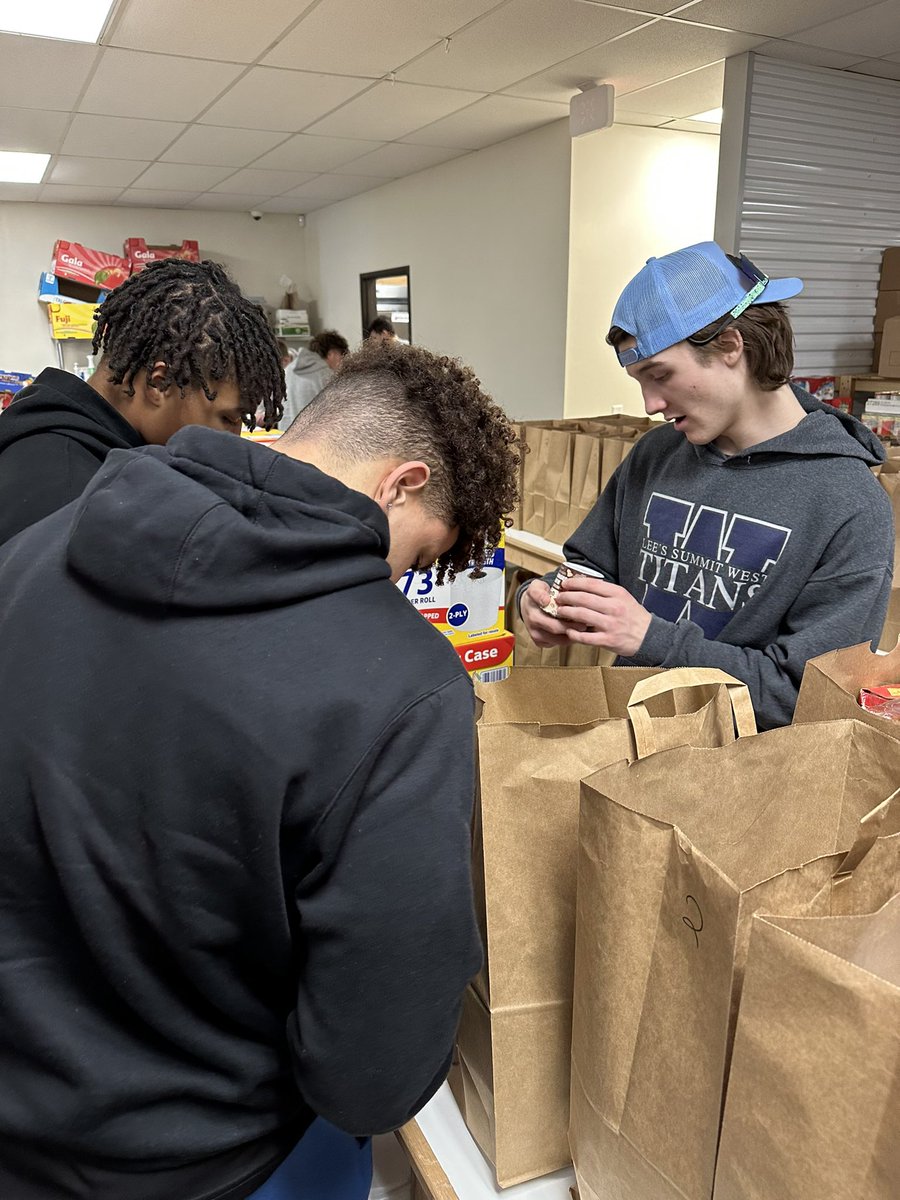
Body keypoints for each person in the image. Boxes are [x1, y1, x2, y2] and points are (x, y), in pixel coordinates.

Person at [0, 337, 519, 1199]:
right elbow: (370, 1073)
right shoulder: (399, 684)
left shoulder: (36, 549)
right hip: (215, 1159)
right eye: (420, 557)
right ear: (403, 483)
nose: (402, 584)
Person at [519, 241, 894, 729]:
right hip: (625, 743)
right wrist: (552, 595)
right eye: (639, 381)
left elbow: (808, 698)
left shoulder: (848, 503)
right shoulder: (655, 455)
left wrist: (652, 640)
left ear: (730, 346)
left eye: (660, 375)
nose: (651, 403)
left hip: (750, 784)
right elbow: (591, 566)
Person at [0, 259, 284, 548]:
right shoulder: (63, 486)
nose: (233, 439)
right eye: (228, 418)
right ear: (158, 383)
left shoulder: (105, 449)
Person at [281, 330, 349, 429]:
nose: (342, 362)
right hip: (315, 440)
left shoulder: (288, 371)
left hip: (285, 437)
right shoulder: (326, 375)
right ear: (332, 353)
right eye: (342, 356)